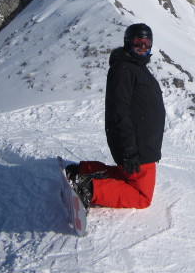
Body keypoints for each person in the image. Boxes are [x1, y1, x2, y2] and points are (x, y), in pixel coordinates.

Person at [65, 23, 166, 209]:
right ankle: (89, 188)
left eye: (146, 43)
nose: (142, 47)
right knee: (141, 197)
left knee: (123, 176)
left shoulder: (137, 67)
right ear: (128, 42)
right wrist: (129, 150)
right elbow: (118, 110)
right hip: (137, 146)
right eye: (138, 42)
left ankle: (83, 171)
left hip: (143, 145)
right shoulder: (125, 69)